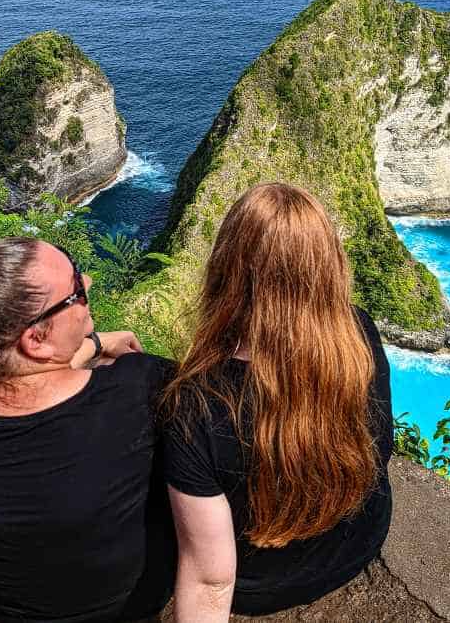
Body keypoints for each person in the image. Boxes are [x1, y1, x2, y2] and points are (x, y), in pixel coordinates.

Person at [0, 238, 176, 623]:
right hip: (126, 607)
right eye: (76, 290)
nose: (89, 282)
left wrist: (91, 345)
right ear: (36, 338)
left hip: (12, 607)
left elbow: (39, 378)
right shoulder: (138, 388)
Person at [161, 183, 394, 622]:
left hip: (258, 583)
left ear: (226, 268)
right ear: (327, 265)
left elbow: (210, 580)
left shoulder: (198, 405)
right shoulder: (358, 334)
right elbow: (381, 446)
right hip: (356, 544)